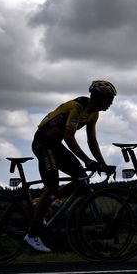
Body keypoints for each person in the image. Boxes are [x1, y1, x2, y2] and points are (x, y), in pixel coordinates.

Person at [23, 80, 117, 253]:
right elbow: (69, 137)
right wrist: (88, 160)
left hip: (55, 144)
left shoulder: (94, 114)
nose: (111, 102)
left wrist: (102, 163)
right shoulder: (77, 107)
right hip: (43, 143)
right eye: (109, 98)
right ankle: (33, 234)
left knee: (81, 181)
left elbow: (92, 141)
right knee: (52, 186)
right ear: (97, 97)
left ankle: (43, 205)